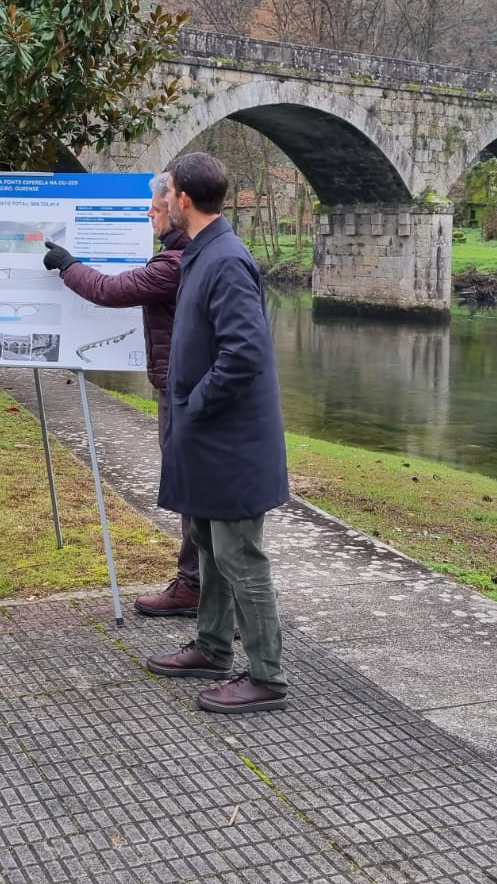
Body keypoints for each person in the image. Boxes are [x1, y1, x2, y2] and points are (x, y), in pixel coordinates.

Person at [145, 151, 290, 714]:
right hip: (206, 438)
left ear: (183, 199)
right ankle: (211, 647)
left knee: (240, 555)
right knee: (208, 545)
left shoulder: (226, 259)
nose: (162, 201)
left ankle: (267, 676)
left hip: (230, 441)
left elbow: (244, 354)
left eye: (167, 192)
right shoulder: (201, 253)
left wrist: (194, 404)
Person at [41, 172, 195, 616]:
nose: (149, 214)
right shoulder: (182, 257)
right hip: (179, 385)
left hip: (182, 390)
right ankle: (195, 582)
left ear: (179, 208)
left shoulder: (173, 264)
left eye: (156, 208)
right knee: (188, 486)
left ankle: (195, 586)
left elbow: (109, 290)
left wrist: (69, 265)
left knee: (188, 488)